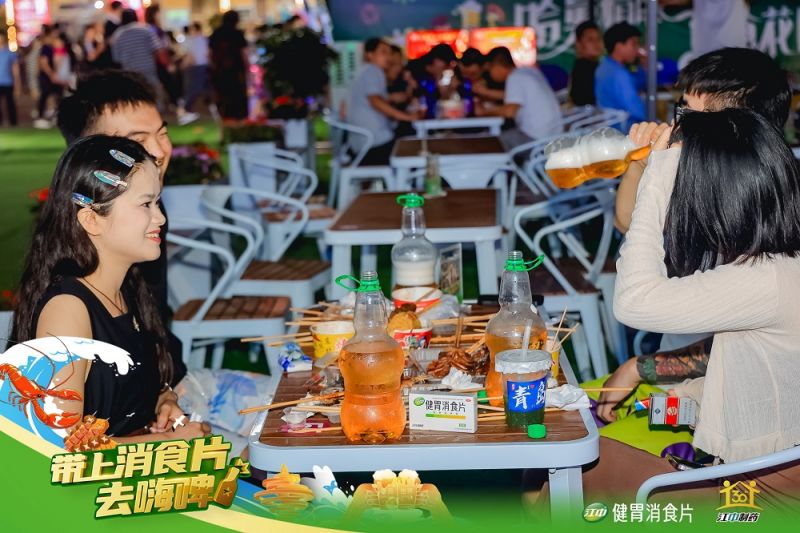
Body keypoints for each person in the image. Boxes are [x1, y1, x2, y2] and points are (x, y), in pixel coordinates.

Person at [55, 71, 276, 449]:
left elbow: (150, 336)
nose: (159, 150)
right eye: (136, 140)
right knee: (273, 448)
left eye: (162, 133)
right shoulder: (69, 288)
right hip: (127, 449)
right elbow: (58, 447)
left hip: (163, 400)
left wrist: (164, 393)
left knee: (300, 410)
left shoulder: (142, 222)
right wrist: (162, 442)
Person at [11, 135, 209, 443]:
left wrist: (164, 400)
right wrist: (168, 443)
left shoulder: (127, 286)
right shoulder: (67, 312)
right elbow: (56, 446)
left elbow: (133, 384)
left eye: (157, 202)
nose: (160, 217)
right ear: (92, 219)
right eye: (146, 204)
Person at [345, 37, 418, 165]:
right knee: (414, 144)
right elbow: (375, 102)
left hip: (362, 144)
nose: (389, 57)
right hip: (374, 145)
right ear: (369, 55)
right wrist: (407, 117)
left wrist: (391, 98)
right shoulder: (372, 70)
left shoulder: (365, 71)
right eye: (383, 52)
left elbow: (373, 100)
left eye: (389, 53)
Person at [477, 46, 562, 148]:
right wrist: (485, 93)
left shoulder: (514, 78)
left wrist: (484, 112)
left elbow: (509, 112)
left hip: (536, 139)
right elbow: (511, 96)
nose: (489, 75)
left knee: (489, 141)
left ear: (497, 66)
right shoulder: (528, 72)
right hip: (553, 135)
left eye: (489, 70)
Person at [594, 22, 646, 128]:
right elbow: (638, 111)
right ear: (619, 46)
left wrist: (644, 66)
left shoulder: (603, 67)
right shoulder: (619, 74)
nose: (637, 49)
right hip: (623, 130)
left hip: (607, 128)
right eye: (634, 44)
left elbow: (638, 83)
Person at [110, 9, 168, 100]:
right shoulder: (146, 29)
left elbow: (116, 58)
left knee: (136, 98)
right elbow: (158, 49)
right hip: (148, 69)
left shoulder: (117, 35)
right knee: (155, 95)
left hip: (129, 72)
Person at [209, 10, 249, 120]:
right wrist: (247, 67)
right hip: (236, 70)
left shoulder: (216, 33)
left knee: (223, 95)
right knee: (237, 95)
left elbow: (210, 53)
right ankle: (238, 118)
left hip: (220, 70)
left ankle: (225, 118)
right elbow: (243, 52)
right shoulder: (237, 33)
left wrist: (213, 66)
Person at [569, 20, 603, 106]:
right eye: (590, 40)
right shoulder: (583, 69)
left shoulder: (596, 67)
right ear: (578, 44)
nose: (596, 43)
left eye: (598, 39)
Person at [181, 23, 210, 119]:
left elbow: (190, 55)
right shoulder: (205, 39)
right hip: (204, 65)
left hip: (196, 67)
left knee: (194, 88)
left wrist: (184, 65)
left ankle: (187, 109)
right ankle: (208, 108)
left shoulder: (192, 40)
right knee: (203, 88)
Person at [0, 31, 19, 127]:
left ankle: (13, 123)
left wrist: (17, 84)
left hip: (8, 82)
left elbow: (15, 69)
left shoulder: (10, 53)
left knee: (10, 103)